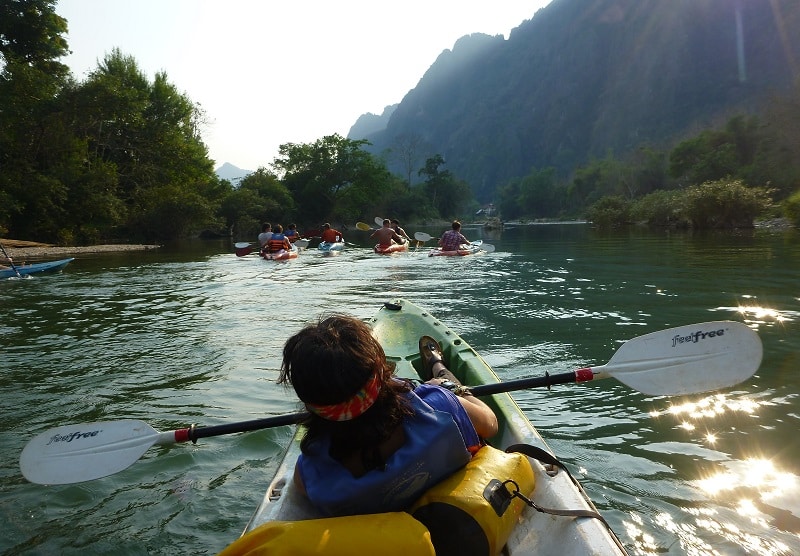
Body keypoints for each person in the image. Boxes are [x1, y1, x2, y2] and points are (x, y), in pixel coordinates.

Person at [278, 315, 497, 517]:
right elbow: (491, 424)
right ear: (382, 371)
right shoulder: (440, 407)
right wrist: (448, 390)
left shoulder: (311, 473)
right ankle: (438, 368)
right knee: (444, 383)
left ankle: (437, 367)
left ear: (310, 404)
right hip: (456, 518)